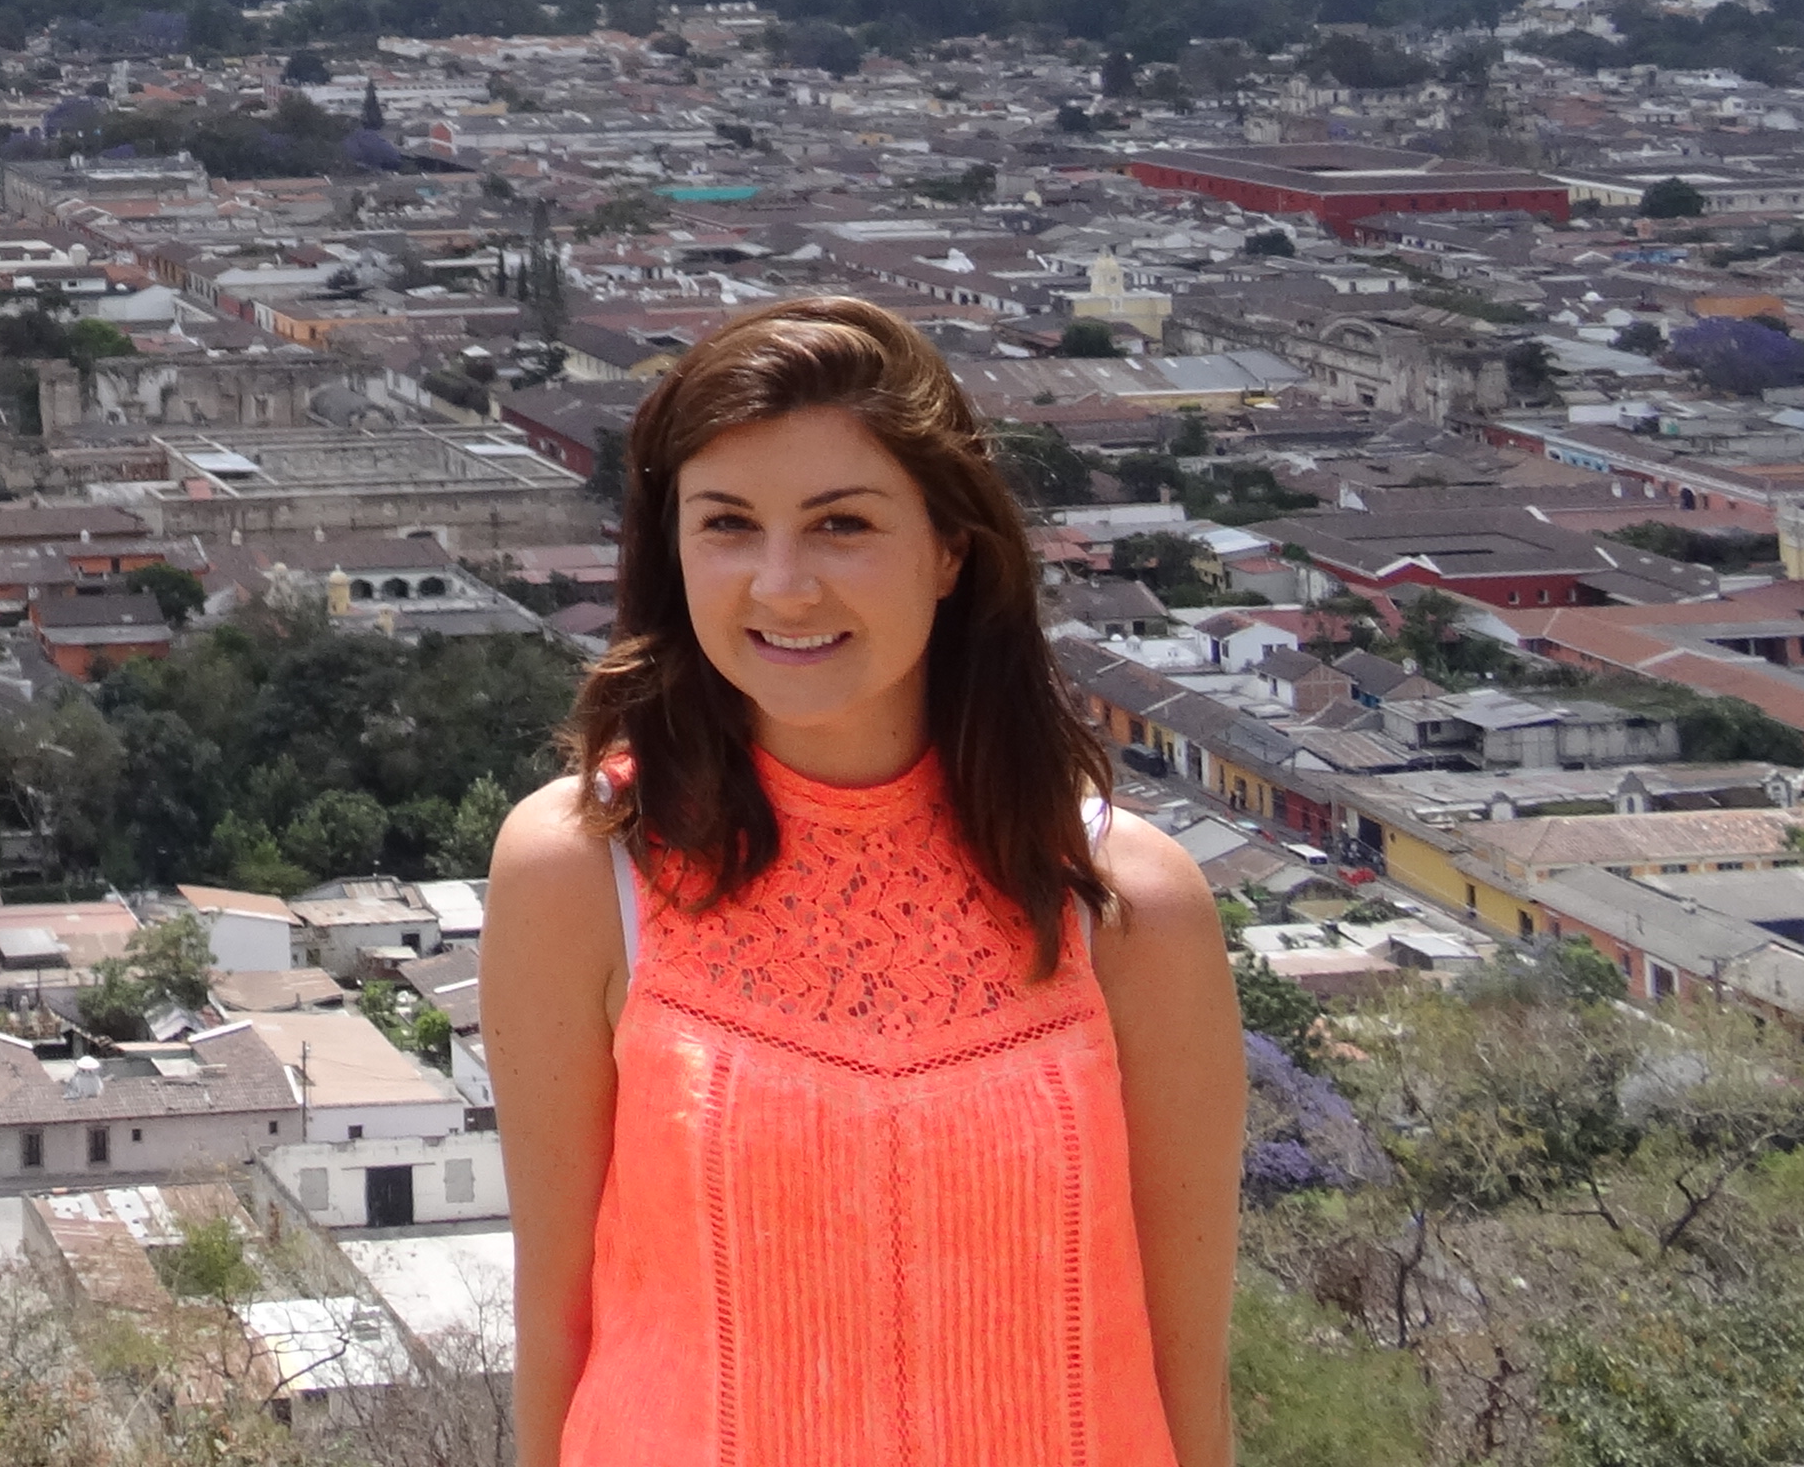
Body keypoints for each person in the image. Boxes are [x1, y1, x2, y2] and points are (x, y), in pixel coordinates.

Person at [490, 296, 1242, 1466]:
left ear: (952, 549)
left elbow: (1184, 1374)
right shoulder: (586, 874)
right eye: (728, 523)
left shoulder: (1128, 905)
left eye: (842, 525)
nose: (782, 585)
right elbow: (561, 1319)